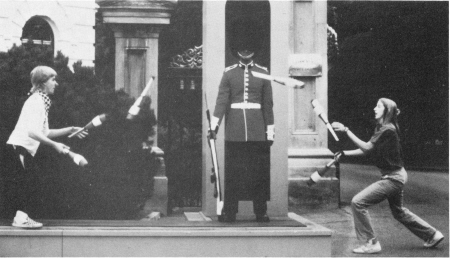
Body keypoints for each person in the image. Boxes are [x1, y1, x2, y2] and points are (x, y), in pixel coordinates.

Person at [332, 98, 444, 254]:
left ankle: (371, 242)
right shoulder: (382, 128)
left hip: (393, 178)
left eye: (378, 106)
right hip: (396, 175)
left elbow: (366, 146)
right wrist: (344, 153)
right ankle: (432, 234)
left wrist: (346, 130)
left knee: (358, 202)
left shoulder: (387, 129)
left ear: (387, 111)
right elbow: (368, 150)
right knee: (398, 211)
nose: (374, 108)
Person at [5, 66, 87, 228]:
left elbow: (45, 132)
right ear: (42, 83)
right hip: (18, 148)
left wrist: (70, 129)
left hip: (23, 149)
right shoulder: (36, 101)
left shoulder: (42, 101)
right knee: (29, 182)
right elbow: (32, 132)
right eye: (53, 79)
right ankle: (21, 219)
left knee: (30, 182)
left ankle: (21, 218)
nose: (56, 83)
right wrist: (55, 145)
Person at [209, 41, 274, 223]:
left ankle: (260, 211)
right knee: (234, 173)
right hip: (235, 129)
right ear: (237, 50)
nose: (245, 50)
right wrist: (214, 126)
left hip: (257, 129)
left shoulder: (263, 72)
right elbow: (222, 101)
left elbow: (268, 104)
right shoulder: (229, 73)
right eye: (242, 47)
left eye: (248, 47)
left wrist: (270, 131)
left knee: (259, 173)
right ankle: (230, 212)